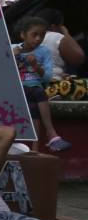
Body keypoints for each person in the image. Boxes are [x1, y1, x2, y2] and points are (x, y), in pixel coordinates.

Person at [13, 16, 71, 153]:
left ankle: (35, 148)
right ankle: (51, 134)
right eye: (34, 35)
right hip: (18, 88)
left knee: (35, 104)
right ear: (23, 35)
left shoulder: (44, 51)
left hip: (35, 89)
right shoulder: (13, 48)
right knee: (37, 93)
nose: (38, 39)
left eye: (42, 35)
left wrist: (36, 66)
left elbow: (47, 77)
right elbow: (3, 70)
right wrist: (13, 56)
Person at [35, 8, 85, 79]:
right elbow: (79, 58)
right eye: (61, 25)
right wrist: (66, 33)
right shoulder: (55, 36)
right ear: (53, 27)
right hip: (52, 82)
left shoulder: (29, 39)